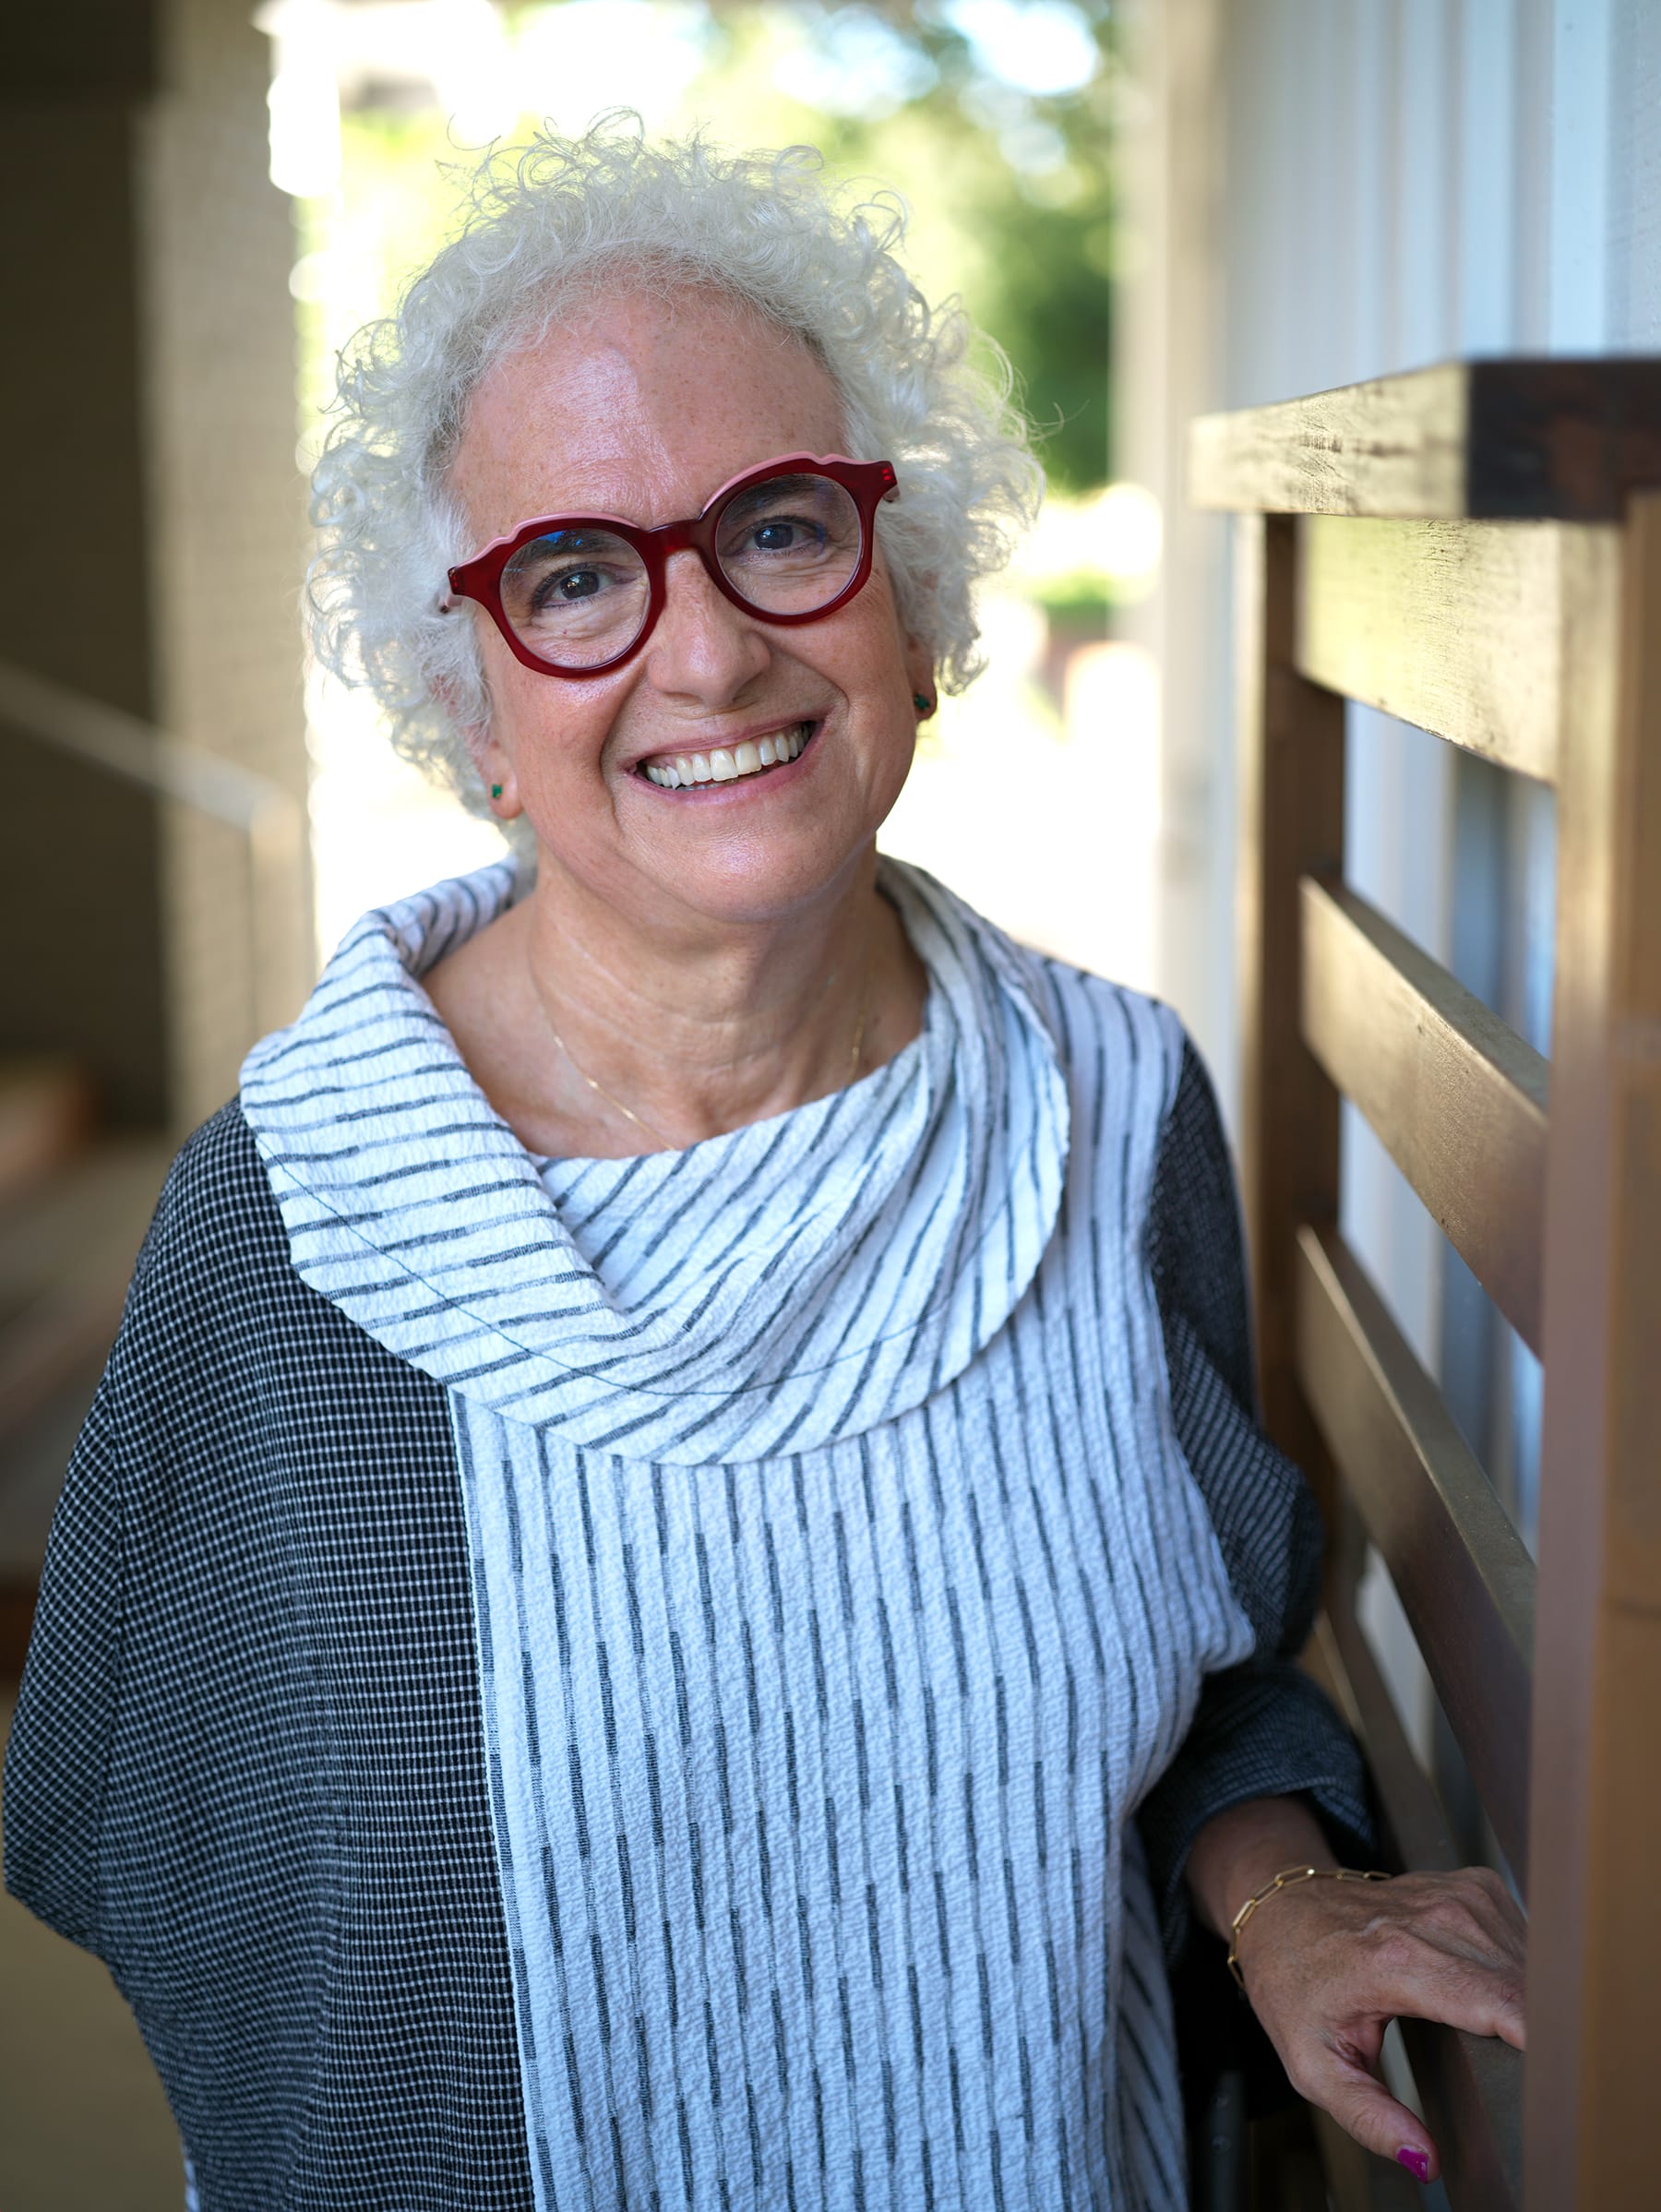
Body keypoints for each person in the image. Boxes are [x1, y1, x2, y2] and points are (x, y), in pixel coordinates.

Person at [3, 125, 1523, 2210]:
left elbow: (1210, 1682)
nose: (707, 651)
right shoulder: (296, 1222)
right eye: (573, 576)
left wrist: (1288, 1902)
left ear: (910, 599)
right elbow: (150, 1847)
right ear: (471, 710)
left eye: (781, 526)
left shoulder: (1112, 1104)